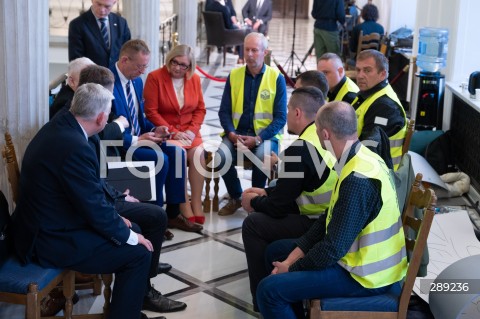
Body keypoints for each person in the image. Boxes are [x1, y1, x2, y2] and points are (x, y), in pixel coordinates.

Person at [11, 83, 157, 319]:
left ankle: (126, 310)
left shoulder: (61, 127)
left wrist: (120, 221)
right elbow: (93, 208)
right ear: (101, 118)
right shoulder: (74, 145)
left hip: (52, 220)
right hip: (50, 238)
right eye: (108, 115)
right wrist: (126, 233)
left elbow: (84, 195)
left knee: (135, 232)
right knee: (138, 253)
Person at [256, 101, 408, 318]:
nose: (316, 136)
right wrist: (292, 258)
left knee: (268, 290)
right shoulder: (362, 157)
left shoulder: (358, 179)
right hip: (360, 262)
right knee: (276, 252)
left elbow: (331, 250)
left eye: (316, 131)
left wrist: (291, 268)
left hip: (367, 277)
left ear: (325, 134)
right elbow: (328, 218)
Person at [241, 87, 337, 312]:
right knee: (266, 220)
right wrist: (266, 194)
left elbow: (278, 207)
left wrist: (252, 202)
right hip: (327, 214)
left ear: (297, 113)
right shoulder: (326, 135)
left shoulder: (300, 148)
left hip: (317, 221)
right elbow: (296, 187)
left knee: (253, 224)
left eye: (287, 109)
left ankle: (263, 301)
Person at [110, 39, 202, 233]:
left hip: (142, 137)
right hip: (123, 144)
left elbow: (141, 115)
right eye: (140, 66)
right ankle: (155, 215)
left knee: (177, 152)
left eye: (145, 66)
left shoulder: (135, 80)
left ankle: (172, 213)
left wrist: (156, 129)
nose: (143, 71)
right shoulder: (108, 82)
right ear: (125, 60)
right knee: (160, 159)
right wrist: (138, 139)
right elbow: (107, 129)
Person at [217, 32, 287, 216]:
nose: (249, 54)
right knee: (221, 157)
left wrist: (258, 139)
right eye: (246, 49)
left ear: (265, 52)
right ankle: (237, 197)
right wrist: (231, 134)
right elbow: (224, 111)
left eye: (254, 50)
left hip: (265, 136)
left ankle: (256, 202)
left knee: (263, 157)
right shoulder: (235, 75)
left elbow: (281, 118)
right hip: (236, 134)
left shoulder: (276, 78)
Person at [144, 45, 207, 225]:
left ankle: (196, 201)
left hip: (190, 130)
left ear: (190, 66)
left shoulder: (194, 79)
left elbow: (200, 109)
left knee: (198, 154)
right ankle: (183, 202)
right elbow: (151, 112)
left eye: (183, 65)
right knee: (179, 154)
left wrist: (191, 131)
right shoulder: (155, 77)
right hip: (166, 131)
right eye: (175, 62)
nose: (178, 68)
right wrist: (174, 132)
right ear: (169, 59)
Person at [353, 49, 407, 170]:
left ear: (382, 74)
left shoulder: (385, 107)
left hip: (382, 175)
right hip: (368, 167)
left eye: (367, 70)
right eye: (358, 70)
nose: (360, 75)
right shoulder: (366, 95)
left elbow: (369, 149)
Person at [68, 0, 131, 68]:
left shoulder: (121, 23)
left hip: (117, 76)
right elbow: (76, 60)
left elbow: (128, 52)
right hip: (91, 76)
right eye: (98, 4)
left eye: (107, 6)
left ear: (114, 2)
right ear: (92, 1)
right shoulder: (77, 24)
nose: (102, 10)